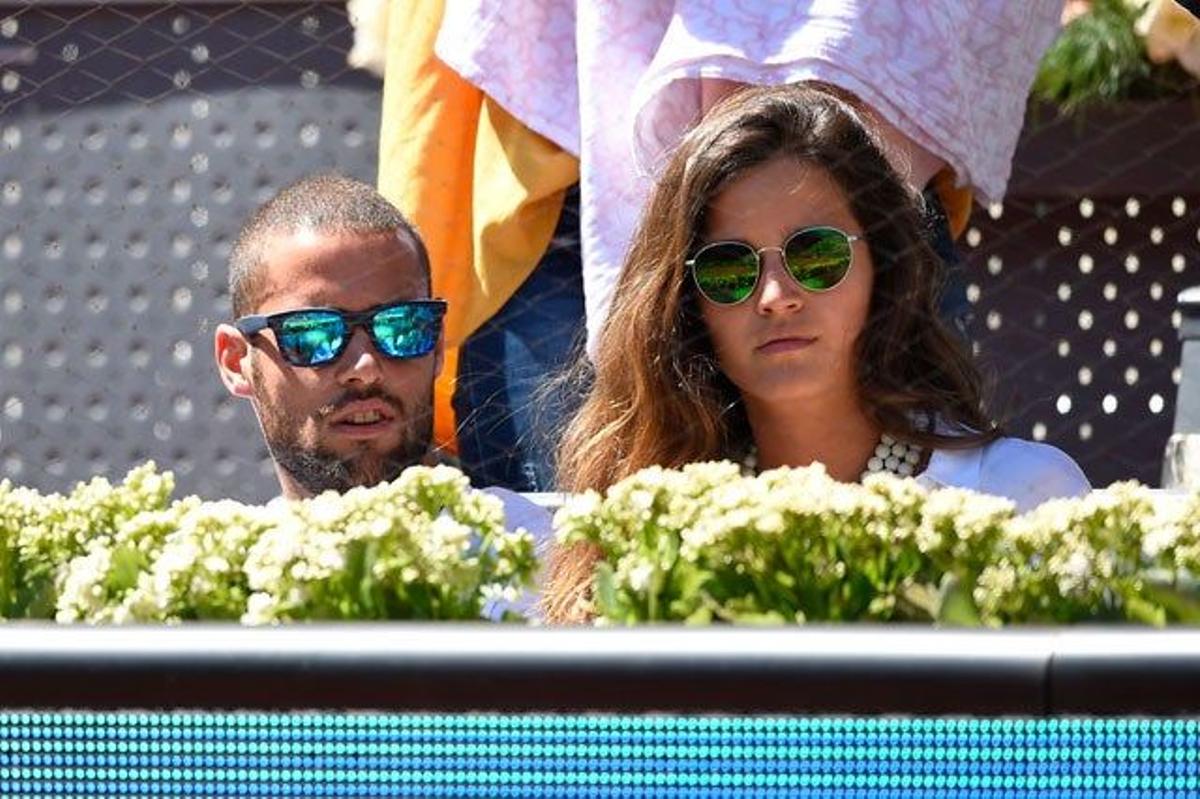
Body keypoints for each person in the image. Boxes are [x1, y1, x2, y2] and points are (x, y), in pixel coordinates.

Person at [542, 85, 1090, 624]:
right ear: (688, 307)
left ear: (883, 266)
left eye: (818, 254)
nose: (777, 297)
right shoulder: (644, 530)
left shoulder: (1020, 495)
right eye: (729, 269)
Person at [212, 174, 553, 615]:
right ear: (235, 360)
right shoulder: (211, 596)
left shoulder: (556, 562)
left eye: (402, 328)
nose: (366, 368)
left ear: (437, 346)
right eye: (314, 336)